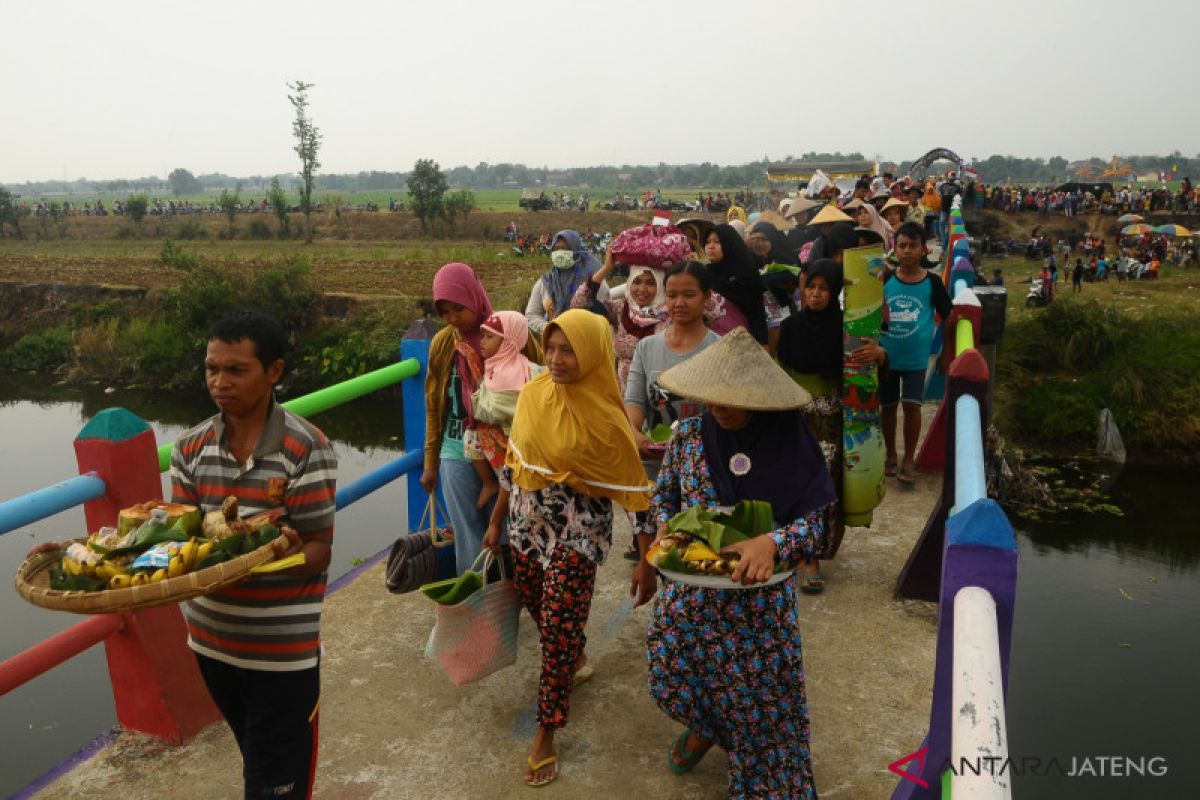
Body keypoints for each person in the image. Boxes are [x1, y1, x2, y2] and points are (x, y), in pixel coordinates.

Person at [645, 327, 836, 799]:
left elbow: (817, 527)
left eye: (731, 400)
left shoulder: (792, 445)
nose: (718, 409)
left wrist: (772, 541)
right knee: (669, 676)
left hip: (758, 613)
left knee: (762, 719)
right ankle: (712, 726)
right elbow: (663, 499)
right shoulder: (687, 438)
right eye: (712, 398)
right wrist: (666, 527)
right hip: (690, 601)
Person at [483, 309, 654, 788]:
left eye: (568, 349)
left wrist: (646, 561)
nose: (555, 359)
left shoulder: (609, 420)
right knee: (541, 611)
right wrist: (496, 522)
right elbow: (514, 464)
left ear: (594, 352)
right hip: (525, 529)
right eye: (551, 348)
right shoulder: (535, 394)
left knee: (557, 631)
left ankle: (546, 733)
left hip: (578, 536)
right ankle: (576, 658)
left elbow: (635, 495)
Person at [171, 311, 337, 799]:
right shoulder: (191, 448)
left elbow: (319, 550)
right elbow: (179, 543)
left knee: (272, 787)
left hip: (281, 658)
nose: (220, 383)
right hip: (211, 646)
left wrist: (267, 554)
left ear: (274, 372)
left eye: (236, 370)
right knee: (259, 766)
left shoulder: (305, 449)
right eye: (211, 369)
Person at [777, 259, 887, 593]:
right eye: (810, 286)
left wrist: (880, 355)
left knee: (824, 488)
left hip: (833, 422)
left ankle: (812, 555)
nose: (815, 294)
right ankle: (795, 549)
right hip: (796, 419)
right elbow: (782, 372)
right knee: (793, 485)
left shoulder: (846, 328)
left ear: (835, 291)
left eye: (824, 288)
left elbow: (867, 370)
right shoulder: (792, 326)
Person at [422, 262, 540, 574]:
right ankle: (475, 604)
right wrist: (429, 462)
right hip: (456, 445)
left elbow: (543, 381)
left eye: (458, 308)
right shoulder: (444, 343)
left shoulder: (507, 330)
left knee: (504, 528)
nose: (452, 318)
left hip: (506, 447)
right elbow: (434, 405)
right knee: (466, 530)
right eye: (444, 312)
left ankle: (505, 600)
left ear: (474, 297)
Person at [625, 262, 722, 455]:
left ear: (707, 297)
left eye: (689, 295)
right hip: (656, 462)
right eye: (671, 295)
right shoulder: (646, 347)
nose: (679, 303)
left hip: (705, 461)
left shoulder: (721, 349)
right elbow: (634, 402)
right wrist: (634, 433)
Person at [881, 223, 952, 486]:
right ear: (895, 249)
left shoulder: (932, 282)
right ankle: (890, 453)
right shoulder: (886, 279)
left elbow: (948, 316)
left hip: (916, 359)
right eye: (902, 246)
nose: (907, 251)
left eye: (913, 246)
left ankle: (909, 458)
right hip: (886, 357)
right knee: (887, 408)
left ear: (924, 249)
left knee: (912, 407)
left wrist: (945, 353)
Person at [570, 248, 667, 395]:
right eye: (637, 281)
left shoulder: (672, 312)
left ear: (660, 285)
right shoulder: (621, 309)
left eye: (651, 283)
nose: (642, 289)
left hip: (661, 396)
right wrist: (606, 267)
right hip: (625, 397)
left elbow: (711, 313)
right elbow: (579, 304)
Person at [467, 311, 538, 509]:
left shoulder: (506, 375)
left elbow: (490, 412)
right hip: (517, 442)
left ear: (508, 341)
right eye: (484, 335)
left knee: (471, 435)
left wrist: (476, 392)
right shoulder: (517, 366)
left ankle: (495, 484)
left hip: (514, 443)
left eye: (490, 337)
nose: (482, 341)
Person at [524, 230, 607, 337]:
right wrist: (550, 329)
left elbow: (606, 315)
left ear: (576, 251)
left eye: (564, 249)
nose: (559, 253)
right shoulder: (546, 282)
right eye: (556, 249)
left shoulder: (594, 280)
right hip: (553, 343)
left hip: (586, 341)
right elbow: (531, 314)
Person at [702, 224, 769, 342]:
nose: (710, 246)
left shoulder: (745, 274)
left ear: (730, 244)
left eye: (717, 242)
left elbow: (756, 312)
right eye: (707, 242)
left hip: (740, 340)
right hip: (710, 342)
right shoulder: (704, 274)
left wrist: (763, 342)